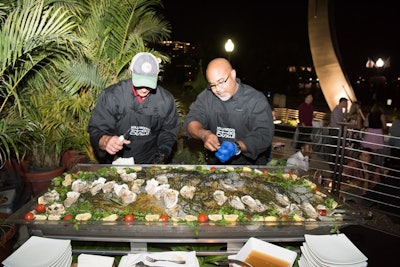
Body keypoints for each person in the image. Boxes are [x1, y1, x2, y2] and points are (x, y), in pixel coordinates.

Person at [87, 52, 181, 164]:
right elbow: (96, 129)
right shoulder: (112, 96)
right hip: (117, 160)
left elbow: (169, 130)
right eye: (140, 82)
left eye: (149, 83)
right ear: (131, 73)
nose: (144, 89)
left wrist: (164, 149)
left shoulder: (165, 100)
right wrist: (106, 141)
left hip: (150, 160)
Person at [184, 58, 274, 165]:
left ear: (233, 74)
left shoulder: (255, 100)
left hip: (249, 166)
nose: (218, 89)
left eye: (221, 82)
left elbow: (264, 134)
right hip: (216, 165)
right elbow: (191, 121)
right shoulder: (206, 97)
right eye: (212, 85)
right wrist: (204, 134)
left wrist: (237, 146)